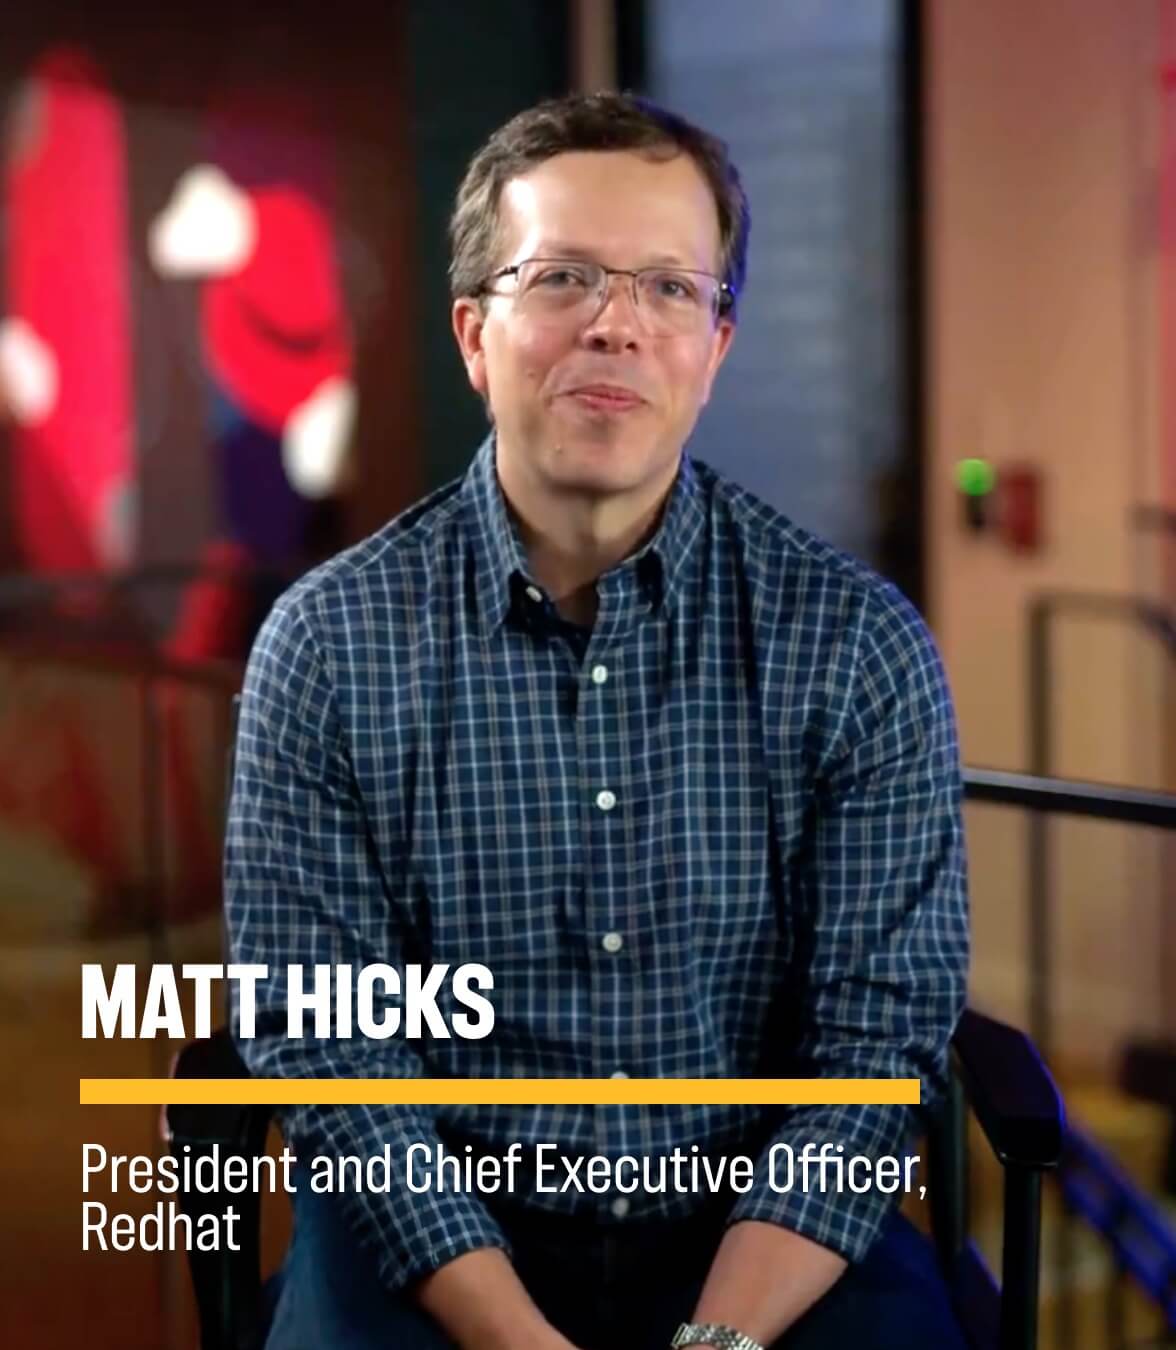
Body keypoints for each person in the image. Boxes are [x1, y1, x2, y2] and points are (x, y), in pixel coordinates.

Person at [225, 92, 970, 1350]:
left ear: (719, 344)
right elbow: (330, 1050)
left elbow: (876, 1045)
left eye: (672, 288)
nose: (618, 325)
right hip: (437, 1232)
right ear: (474, 333)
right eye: (563, 276)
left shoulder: (860, 645)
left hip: (765, 1228)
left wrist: (719, 1340)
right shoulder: (328, 645)